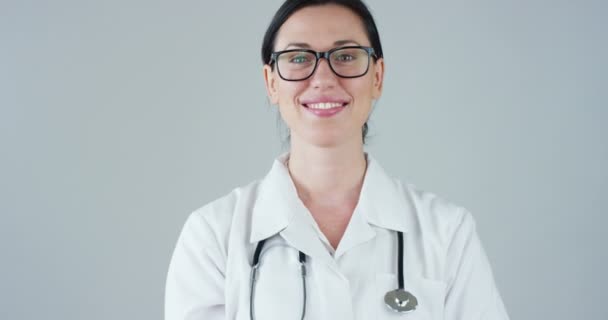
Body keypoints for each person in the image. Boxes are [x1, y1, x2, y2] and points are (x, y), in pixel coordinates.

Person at [164, 0, 510, 319]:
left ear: (377, 76)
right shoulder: (213, 235)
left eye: (346, 55)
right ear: (271, 83)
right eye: (299, 58)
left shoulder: (446, 232)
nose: (323, 79)